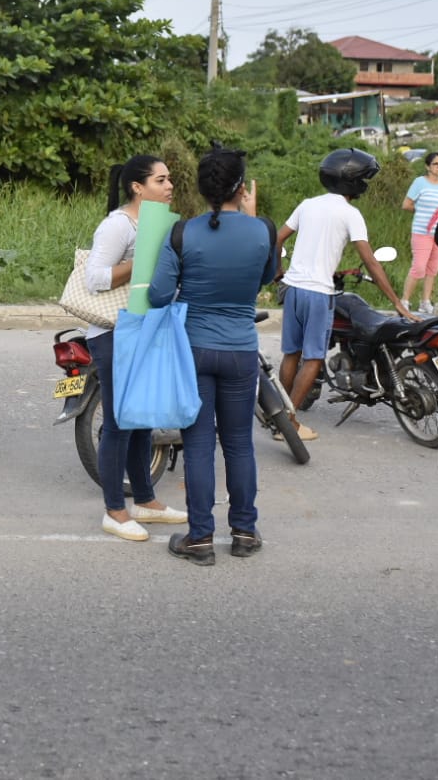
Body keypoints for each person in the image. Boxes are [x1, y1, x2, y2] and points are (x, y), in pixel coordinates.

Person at [150, 146, 275, 565]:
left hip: (194, 350)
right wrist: (251, 218)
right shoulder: (263, 231)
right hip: (241, 349)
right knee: (240, 443)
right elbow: (266, 277)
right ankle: (244, 532)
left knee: (199, 444)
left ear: (202, 190)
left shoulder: (182, 233)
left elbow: (159, 295)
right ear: (240, 188)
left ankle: (200, 538)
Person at [83, 154, 188, 542]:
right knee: (119, 421)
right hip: (113, 332)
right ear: (137, 187)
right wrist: (142, 257)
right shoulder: (118, 225)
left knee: (143, 416)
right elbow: (95, 278)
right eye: (161, 180)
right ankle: (114, 509)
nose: (169, 185)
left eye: (170, 179)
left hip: (144, 328)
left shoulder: (156, 223)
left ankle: (145, 500)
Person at [276, 148, 417, 428]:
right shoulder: (349, 213)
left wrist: (278, 273)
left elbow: (276, 239)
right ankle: (289, 421)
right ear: (353, 181)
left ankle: (278, 410)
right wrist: (398, 303)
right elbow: (371, 263)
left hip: (292, 289)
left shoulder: (307, 204)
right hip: (318, 293)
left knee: (292, 353)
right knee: (314, 358)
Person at [399, 152, 438, 315]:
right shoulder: (419, 182)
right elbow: (406, 204)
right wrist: (423, 211)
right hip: (422, 231)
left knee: (433, 268)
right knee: (419, 267)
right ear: (428, 166)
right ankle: (404, 300)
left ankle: (425, 301)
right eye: (436, 164)